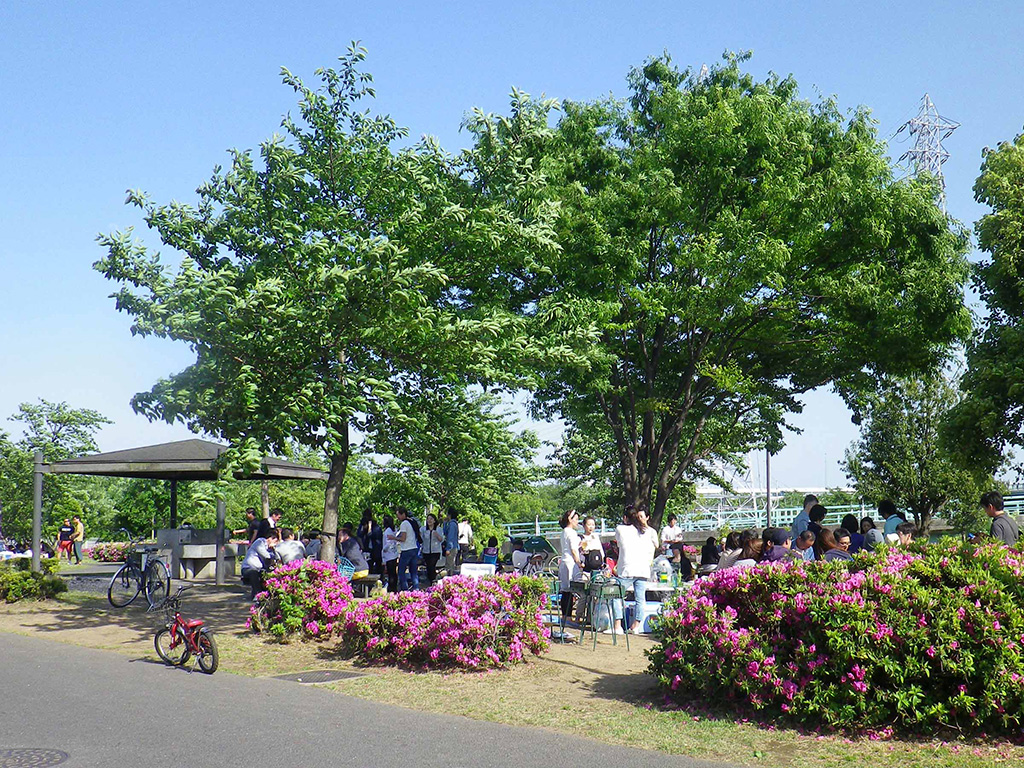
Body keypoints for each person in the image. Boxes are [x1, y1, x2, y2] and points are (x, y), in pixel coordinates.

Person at [613, 505, 659, 634]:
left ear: (625, 518)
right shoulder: (647, 531)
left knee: (617, 596)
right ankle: (636, 626)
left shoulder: (620, 529)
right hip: (643, 569)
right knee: (640, 598)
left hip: (626, 569)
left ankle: (618, 626)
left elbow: (618, 543)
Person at [558, 510, 582, 622]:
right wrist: (579, 563)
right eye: (576, 519)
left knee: (565, 591)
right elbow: (573, 550)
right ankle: (568, 617)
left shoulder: (564, 532)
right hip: (570, 563)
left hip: (564, 562)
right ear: (570, 519)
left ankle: (565, 616)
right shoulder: (571, 532)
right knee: (570, 590)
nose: (577, 521)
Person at [241, 529, 279, 599]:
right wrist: (272, 550)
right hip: (247, 568)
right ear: (270, 538)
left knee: (267, 574)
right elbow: (266, 556)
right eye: (275, 541)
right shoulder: (259, 542)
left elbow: (276, 558)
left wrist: (274, 550)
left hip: (259, 569)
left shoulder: (269, 548)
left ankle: (266, 594)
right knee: (254, 573)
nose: (275, 544)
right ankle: (257, 594)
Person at [392, 507, 420, 591]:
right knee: (413, 572)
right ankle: (416, 589)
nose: (398, 517)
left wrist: (393, 538)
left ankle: (405, 589)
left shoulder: (404, 524)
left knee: (401, 571)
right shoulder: (412, 522)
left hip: (406, 549)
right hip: (414, 548)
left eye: (398, 515)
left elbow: (403, 538)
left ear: (403, 514)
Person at [357, 509, 383, 575]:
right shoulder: (362, 525)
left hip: (375, 549)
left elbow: (374, 536)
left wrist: (369, 529)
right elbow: (359, 535)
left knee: (378, 567)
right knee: (369, 566)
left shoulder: (376, 527)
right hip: (367, 549)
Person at [421, 513, 444, 584]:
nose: (429, 520)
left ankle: (433, 581)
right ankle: (431, 581)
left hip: (435, 551)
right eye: (428, 519)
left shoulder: (439, 529)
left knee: (432, 566)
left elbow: (441, 540)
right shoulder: (423, 529)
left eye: (431, 519)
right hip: (426, 551)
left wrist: (436, 534)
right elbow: (420, 538)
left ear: (434, 521)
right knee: (428, 567)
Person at [381, 514, 399, 593]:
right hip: (394, 553)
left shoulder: (388, 531)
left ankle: (392, 588)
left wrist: (384, 549)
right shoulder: (394, 530)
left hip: (389, 554)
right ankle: (393, 587)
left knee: (391, 573)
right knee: (393, 573)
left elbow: (388, 543)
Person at [443, 508, 460, 575]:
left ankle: (450, 580)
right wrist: (445, 523)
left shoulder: (452, 524)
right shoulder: (453, 524)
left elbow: (450, 537)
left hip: (451, 547)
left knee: (449, 566)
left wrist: (448, 549)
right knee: (450, 565)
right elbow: (445, 532)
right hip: (454, 546)